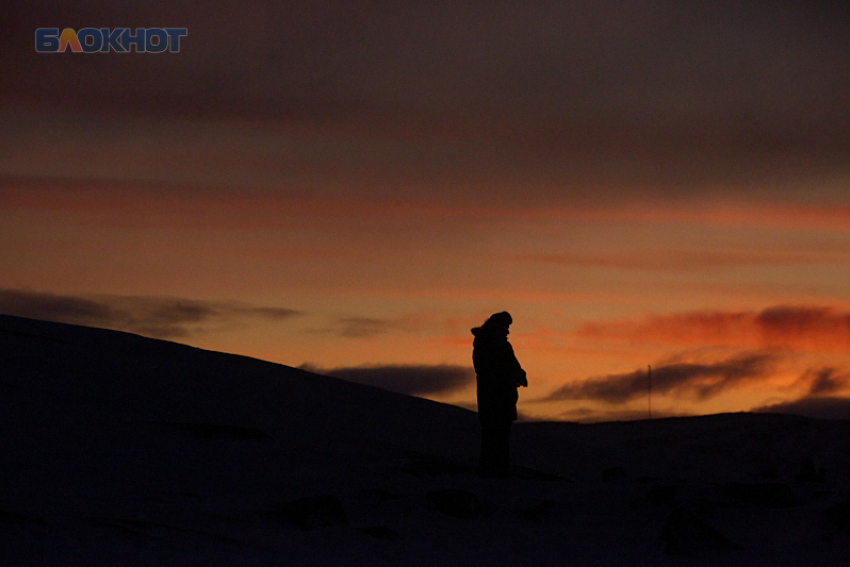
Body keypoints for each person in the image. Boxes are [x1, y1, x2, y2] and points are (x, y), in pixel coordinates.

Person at [471, 311, 526, 478]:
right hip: (494, 399)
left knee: (499, 436)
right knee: (494, 436)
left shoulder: (499, 345)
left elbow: (510, 365)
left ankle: (497, 470)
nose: (508, 331)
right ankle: (493, 472)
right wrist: (512, 375)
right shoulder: (486, 345)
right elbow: (490, 370)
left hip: (501, 398)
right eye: (506, 327)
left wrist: (519, 374)